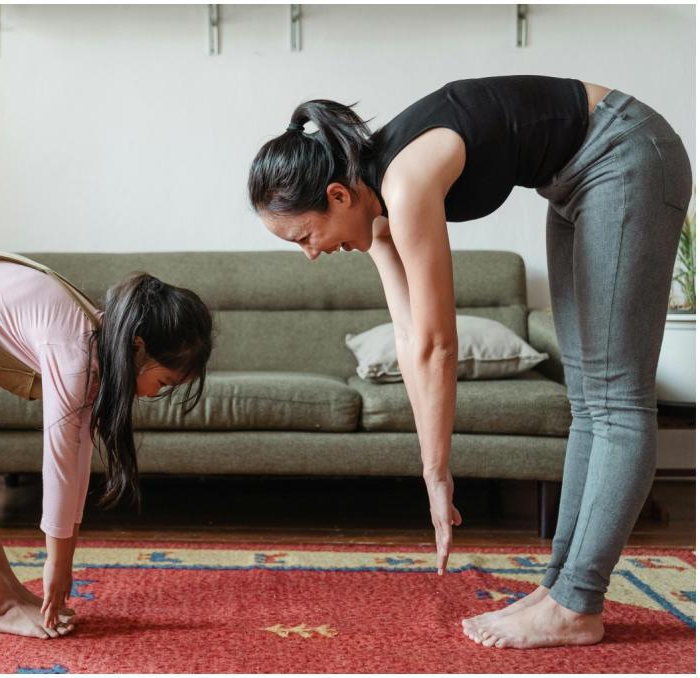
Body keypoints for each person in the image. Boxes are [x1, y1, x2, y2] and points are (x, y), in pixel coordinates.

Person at [247, 75, 692, 649]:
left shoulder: (404, 185)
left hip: (625, 154)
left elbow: (439, 343)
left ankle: (577, 603)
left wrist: (439, 470)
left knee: (616, 399)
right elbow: (409, 338)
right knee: (589, 401)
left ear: (337, 195)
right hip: (572, 181)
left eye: (303, 237)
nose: (310, 254)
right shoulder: (376, 209)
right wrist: (429, 467)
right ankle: (560, 588)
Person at [0, 251, 213, 639]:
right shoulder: (75, 353)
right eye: (165, 383)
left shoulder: (102, 350)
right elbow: (59, 462)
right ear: (139, 347)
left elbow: (79, 456)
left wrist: (64, 559)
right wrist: (56, 563)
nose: (156, 395)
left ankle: (8, 593)